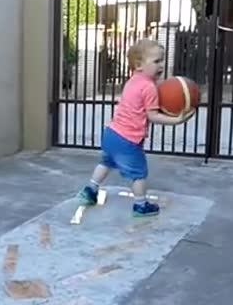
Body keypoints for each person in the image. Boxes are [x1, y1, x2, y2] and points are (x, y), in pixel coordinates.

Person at [76, 39, 195, 217]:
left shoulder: (132, 81)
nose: (161, 65)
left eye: (162, 60)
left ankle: (90, 190)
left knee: (106, 162)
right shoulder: (149, 87)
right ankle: (141, 205)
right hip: (128, 139)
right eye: (156, 61)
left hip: (111, 133)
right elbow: (152, 115)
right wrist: (177, 120)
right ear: (139, 65)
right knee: (139, 173)